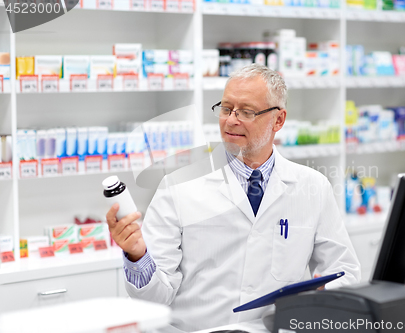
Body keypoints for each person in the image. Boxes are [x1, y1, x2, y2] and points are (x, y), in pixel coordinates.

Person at [106, 64, 361, 332]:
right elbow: (155, 299)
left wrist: (323, 297)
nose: (231, 120)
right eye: (226, 109)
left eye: (246, 112)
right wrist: (137, 255)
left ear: (279, 120)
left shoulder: (313, 186)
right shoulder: (177, 185)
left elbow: (345, 271)